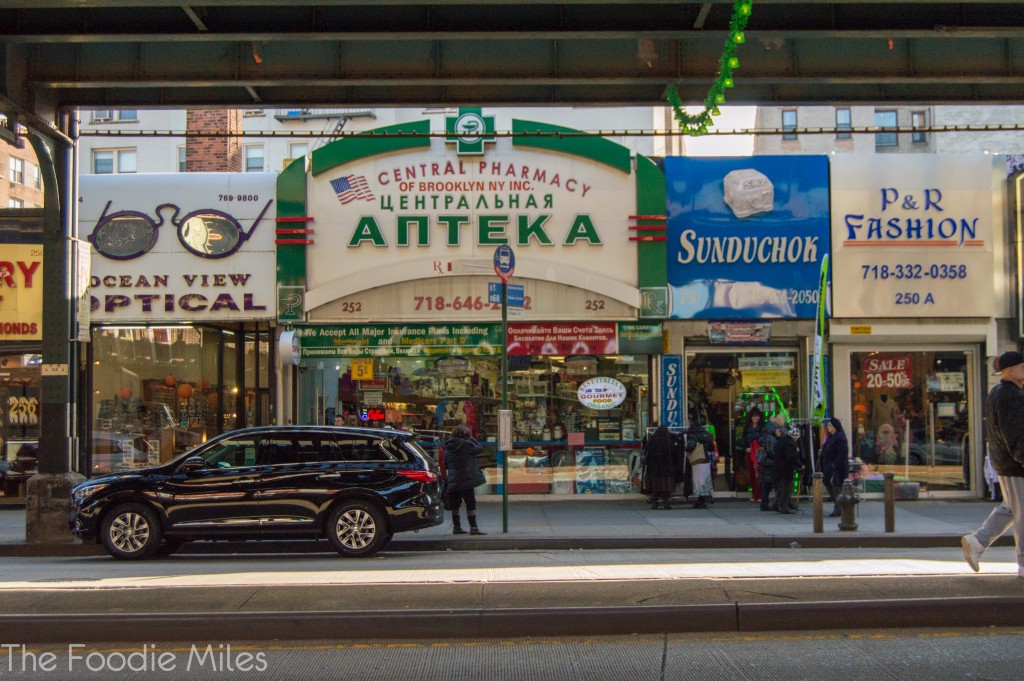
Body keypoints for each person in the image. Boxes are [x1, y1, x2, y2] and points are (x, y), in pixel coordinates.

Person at [962, 351, 1024, 578]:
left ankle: (977, 542)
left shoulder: (999, 393)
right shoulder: (1011, 396)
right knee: (1022, 512)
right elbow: (1015, 433)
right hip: (1015, 463)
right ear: (1009, 370)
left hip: (1006, 462)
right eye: (1022, 366)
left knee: (1012, 507)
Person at [443, 424, 487, 535]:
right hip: (466, 479)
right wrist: (471, 438)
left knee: (455, 505)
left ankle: (456, 527)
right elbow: (479, 448)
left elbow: (446, 465)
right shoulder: (467, 445)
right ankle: (474, 528)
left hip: (453, 480)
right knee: (470, 503)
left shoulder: (448, 448)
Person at [820, 417, 850, 517]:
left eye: (829, 425)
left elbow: (843, 453)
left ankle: (839, 509)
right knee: (831, 488)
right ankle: (838, 507)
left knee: (836, 488)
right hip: (829, 467)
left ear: (834, 427)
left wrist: (834, 465)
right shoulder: (831, 437)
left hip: (837, 469)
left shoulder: (840, 437)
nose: (827, 427)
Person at [642, 425, 677, 510]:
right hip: (666, 468)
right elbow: (674, 454)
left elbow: (647, 453)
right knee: (666, 487)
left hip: (653, 468)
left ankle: (654, 504)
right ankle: (666, 504)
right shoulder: (669, 441)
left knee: (655, 487)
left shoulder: (652, 440)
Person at [773, 424, 802, 514]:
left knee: (781, 488)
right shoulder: (790, 444)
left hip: (777, 467)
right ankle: (784, 506)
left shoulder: (782, 440)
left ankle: (776, 504)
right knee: (786, 488)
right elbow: (791, 457)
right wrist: (800, 464)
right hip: (786, 469)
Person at [742, 408, 766, 502]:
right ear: (750, 417)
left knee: (759, 474)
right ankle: (754, 495)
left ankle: (760, 495)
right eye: (754, 416)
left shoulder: (762, 427)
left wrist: (760, 447)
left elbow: (764, 439)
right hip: (749, 453)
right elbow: (742, 439)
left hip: (759, 453)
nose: (755, 418)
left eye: (757, 416)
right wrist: (746, 448)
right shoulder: (747, 427)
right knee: (752, 474)